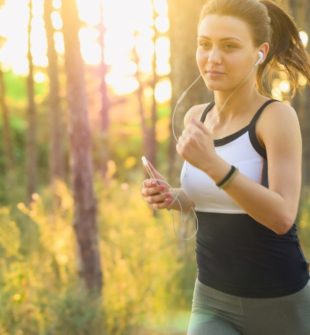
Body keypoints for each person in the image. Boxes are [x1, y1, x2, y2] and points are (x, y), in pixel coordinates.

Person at [141, 0, 310, 334]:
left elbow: (281, 216)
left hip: (279, 300)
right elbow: (207, 197)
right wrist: (172, 196)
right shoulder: (196, 118)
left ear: (259, 53)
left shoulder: (276, 118)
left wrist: (214, 165)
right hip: (211, 298)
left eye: (229, 46)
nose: (212, 58)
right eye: (205, 44)